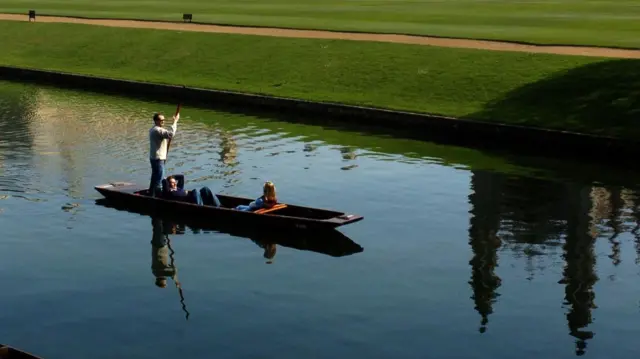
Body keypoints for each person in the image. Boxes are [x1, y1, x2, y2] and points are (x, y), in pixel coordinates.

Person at [149, 112, 179, 197]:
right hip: (158, 159)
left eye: (163, 120)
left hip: (154, 158)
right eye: (161, 120)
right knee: (160, 179)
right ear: (156, 121)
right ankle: (158, 197)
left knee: (154, 177)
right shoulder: (158, 130)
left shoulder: (153, 129)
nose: (163, 122)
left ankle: (151, 193)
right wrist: (175, 121)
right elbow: (171, 134)